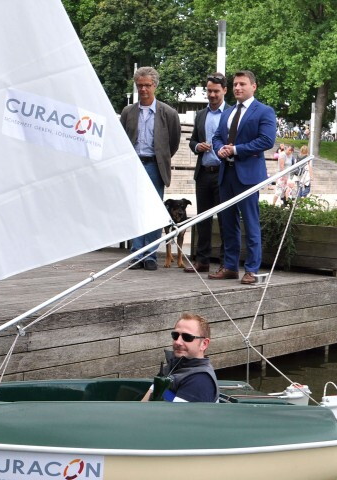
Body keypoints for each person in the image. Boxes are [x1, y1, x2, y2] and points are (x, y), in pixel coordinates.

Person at [210, 70, 276, 285]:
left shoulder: (264, 111)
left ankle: (252, 270)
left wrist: (236, 150)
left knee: (250, 222)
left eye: (242, 84)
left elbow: (266, 140)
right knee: (228, 223)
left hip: (248, 176)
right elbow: (217, 137)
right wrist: (219, 149)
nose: (238, 88)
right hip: (226, 173)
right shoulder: (228, 112)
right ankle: (230, 267)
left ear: (253, 87)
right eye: (235, 84)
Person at [120, 66, 181, 271]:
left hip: (155, 165)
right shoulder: (128, 112)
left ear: (155, 85)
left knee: (154, 210)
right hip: (134, 165)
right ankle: (137, 253)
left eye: (147, 85)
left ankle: (151, 255)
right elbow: (122, 138)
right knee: (135, 209)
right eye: (140, 86)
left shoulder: (168, 113)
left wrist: (161, 158)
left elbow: (173, 142)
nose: (143, 89)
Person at [186, 73, 229, 274]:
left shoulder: (231, 113)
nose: (212, 95)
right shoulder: (201, 115)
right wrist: (197, 147)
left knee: (225, 219)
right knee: (202, 219)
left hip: (224, 173)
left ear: (224, 91)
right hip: (203, 173)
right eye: (209, 91)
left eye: (216, 91)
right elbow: (192, 141)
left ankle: (225, 262)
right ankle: (202, 260)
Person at [142, 313, 219, 403]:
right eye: (175, 335)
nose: (178, 342)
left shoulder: (200, 380)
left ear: (204, 344)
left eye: (187, 337)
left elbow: (178, 413)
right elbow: (144, 403)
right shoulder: (172, 366)